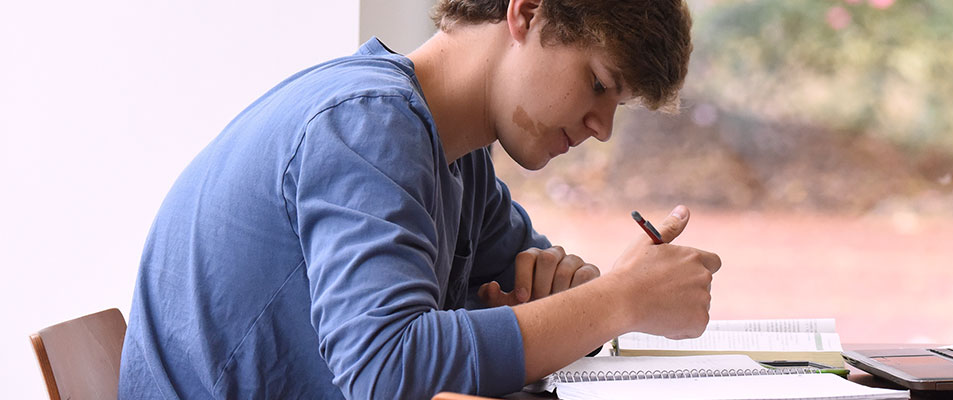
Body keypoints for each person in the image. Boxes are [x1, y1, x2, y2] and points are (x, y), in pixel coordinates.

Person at [118, 0, 719, 398]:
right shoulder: (366, 125)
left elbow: (547, 301)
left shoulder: (458, 160)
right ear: (528, 13)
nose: (602, 127)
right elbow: (388, 370)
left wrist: (583, 299)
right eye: (597, 84)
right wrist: (621, 298)